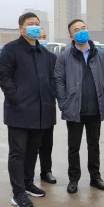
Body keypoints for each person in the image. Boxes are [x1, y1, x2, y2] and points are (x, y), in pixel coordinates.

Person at [0, 12, 56, 207]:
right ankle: (18, 192)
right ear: (21, 28)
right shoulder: (11, 49)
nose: (35, 27)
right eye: (31, 24)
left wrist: (49, 99)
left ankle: (28, 182)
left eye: (37, 24)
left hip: (41, 112)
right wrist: (15, 97)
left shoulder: (45, 54)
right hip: (19, 112)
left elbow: (52, 80)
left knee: (33, 150)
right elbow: (3, 76)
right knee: (18, 152)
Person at [54, 19, 104, 194]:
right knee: (74, 147)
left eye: (83, 28)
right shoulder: (65, 56)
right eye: (76, 30)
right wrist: (63, 103)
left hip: (95, 108)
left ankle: (95, 177)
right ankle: (74, 179)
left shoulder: (100, 55)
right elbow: (59, 81)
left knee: (94, 145)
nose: (81, 31)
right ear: (71, 36)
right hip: (74, 109)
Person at [38, 29, 58, 185]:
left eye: (44, 37)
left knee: (47, 143)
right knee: (28, 145)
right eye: (40, 37)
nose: (42, 40)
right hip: (28, 107)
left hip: (48, 106)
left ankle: (46, 171)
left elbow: (57, 81)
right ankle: (25, 175)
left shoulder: (52, 58)